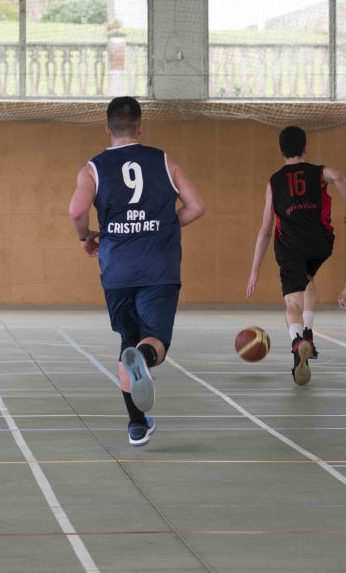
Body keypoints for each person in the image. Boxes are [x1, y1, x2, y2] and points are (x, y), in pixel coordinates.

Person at [68, 97, 205, 447]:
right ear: (140, 127)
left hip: (116, 270)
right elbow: (196, 206)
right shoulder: (163, 160)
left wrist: (85, 237)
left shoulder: (93, 168)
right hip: (158, 267)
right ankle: (142, 360)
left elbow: (77, 211)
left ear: (107, 128)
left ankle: (137, 425)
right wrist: (164, 225)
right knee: (153, 342)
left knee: (128, 340)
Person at [245, 126, 346, 385]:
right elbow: (339, 176)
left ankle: (297, 342)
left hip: (290, 248)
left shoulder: (274, 182)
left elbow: (265, 230)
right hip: (321, 243)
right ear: (305, 148)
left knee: (292, 304)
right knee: (307, 279)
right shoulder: (317, 172)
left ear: (281, 151)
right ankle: (308, 333)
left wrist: (254, 270)